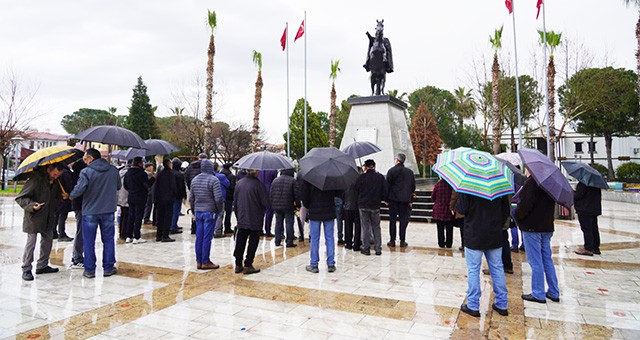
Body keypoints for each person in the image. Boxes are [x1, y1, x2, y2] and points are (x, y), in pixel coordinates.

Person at [455, 192, 510, 317]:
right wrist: (496, 224)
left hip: (474, 234)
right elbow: (506, 211)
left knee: (474, 269)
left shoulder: (469, 186)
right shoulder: (498, 187)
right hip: (494, 234)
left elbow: (461, 209)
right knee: (497, 268)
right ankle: (502, 304)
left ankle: (473, 305)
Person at [69, 148, 121, 279]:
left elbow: (80, 189)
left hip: (90, 211)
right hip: (108, 210)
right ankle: (108, 267)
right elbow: (118, 186)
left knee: (89, 241)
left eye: (86, 159)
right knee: (109, 240)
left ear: (91, 158)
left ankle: (90, 270)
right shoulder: (114, 170)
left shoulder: (86, 172)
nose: (85, 162)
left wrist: (70, 195)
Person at [515, 169, 560, 304]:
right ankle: (553, 291)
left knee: (536, 261)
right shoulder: (550, 183)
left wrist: (517, 215)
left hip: (532, 226)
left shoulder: (532, 183)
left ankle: (538, 293)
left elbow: (525, 205)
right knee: (547, 259)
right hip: (546, 226)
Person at [16, 162, 67, 281]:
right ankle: (26, 269)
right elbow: (21, 198)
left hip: (48, 217)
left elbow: (54, 199)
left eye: (57, 175)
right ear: (49, 169)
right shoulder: (35, 179)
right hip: (34, 217)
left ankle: (42, 266)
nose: (55, 177)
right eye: (54, 174)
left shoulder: (56, 182)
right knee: (31, 243)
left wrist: (62, 197)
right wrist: (32, 205)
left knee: (48, 241)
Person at [233, 169, 269, 275]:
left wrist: (238, 215)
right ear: (256, 172)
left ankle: (238, 264)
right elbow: (265, 202)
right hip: (255, 218)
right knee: (253, 242)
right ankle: (248, 264)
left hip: (242, 217)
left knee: (240, 240)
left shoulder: (239, 183)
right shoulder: (259, 185)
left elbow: (235, 201)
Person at [300, 178, 340, 273]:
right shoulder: (332, 177)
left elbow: (304, 196)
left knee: (314, 238)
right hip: (329, 211)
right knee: (330, 237)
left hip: (315, 211)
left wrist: (309, 206)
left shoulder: (309, 178)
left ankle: (314, 264)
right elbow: (338, 192)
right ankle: (331, 263)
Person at [189, 159, 222, 270]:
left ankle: (199, 261)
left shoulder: (194, 180)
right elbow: (218, 198)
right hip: (210, 211)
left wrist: (194, 211)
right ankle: (205, 261)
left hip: (198, 212)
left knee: (199, 237)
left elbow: (191, 198)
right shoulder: (214, 180)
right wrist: (219, 210)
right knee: (207, 238)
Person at [355, 159, 388, 256]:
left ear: (365, 167)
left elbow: (356, 189)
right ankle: (378, 248)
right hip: (375, 205)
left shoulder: (361, 177)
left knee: (365, 227)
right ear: (374, 166)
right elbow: (384, 191)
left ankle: (366, 248)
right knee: (376, 227)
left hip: (363, 205)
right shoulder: (380, 177)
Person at [386, 153, 415, 248]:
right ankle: (402, 240)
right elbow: (412, 187)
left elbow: (387, 186)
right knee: (403, 220)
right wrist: (410, 200)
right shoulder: (409, 172)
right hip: (405, 200)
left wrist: (386, 199)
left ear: (397, 160)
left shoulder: (391, 171)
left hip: (393, 200)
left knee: (392, 220)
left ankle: (392, 240)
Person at [124, 156, 155, 244]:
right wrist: (153, 179)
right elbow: (147, 185)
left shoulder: (128, 173)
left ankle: (128, 236)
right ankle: (136, 237)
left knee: (131, 216)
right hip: (140, 197)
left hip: (131, 197)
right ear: (139, 163)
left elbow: (125, 185)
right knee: (138, 216)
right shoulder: (142, 174)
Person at [270, 168, 299, 247]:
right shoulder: (293, 181)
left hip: (277, 206)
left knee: (278, 223)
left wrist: (272, 204)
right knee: (289, 223)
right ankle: (289, 241)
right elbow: (296, 195)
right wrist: (298, 206)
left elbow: (271, 194)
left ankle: (277, 241)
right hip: (288, 205)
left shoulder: (275, 180)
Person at [574, 181, 602, 256]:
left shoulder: (583, 183)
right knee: (594, 228)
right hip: (594, 209)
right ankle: (595, 248)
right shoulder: (596, 184)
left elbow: (578, 195)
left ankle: (588, 248)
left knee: (587, 229)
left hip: (584, 209)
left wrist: (574, 191)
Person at [154, 158, 177, 242]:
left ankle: (158, 235)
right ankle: (165, 235)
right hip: (168, 199)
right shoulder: (171, 174)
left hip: (160, 198)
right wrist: (174, 195)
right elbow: (173, 187)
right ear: (168, 164)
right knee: (167, 217)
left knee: (160, 217)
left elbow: (156, 187)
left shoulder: (159, 174)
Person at [70, 159, 87, 269]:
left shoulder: (73, 175)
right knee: (80, 231)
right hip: (81, 206)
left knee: (81, 230)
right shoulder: (81, 177)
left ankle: (77, 256)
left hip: (78, 206)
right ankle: (77, 258)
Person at [431, 179, 454, 248]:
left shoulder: (438, 185)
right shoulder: (451, 185)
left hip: (439, 210)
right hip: (449, 210)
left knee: (440, 228)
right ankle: (449, 243)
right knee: (449, 228)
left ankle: (441, 243)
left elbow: (432, 197)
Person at [54, 165, 74, 241]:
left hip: (57, 197)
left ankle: (54, 232)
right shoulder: (66, 173)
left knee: (56, 215)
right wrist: (70, 193)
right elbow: (70, 185)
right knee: (62, 215)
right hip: (64, 196)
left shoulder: (57, 172)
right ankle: (62, 233)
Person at [342, 176, 361, 251]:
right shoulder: (359, 181)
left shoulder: (346, 181)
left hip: (347, 206)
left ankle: (348, 243)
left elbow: (342, 194)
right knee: (358, 226)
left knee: (348, 225)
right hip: (357, 206)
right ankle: (356, 243)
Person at [212, 162, 231, 238]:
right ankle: (218, 231)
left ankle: (212, 230)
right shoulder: (221, 176)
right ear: (217, 168)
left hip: (211, 197)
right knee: (220, 214)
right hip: (221, 197)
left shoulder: (210, 176)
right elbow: (228, 184)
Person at [258, 169, 278, 236]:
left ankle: (259, 229)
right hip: (269, 191)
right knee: (269, 212)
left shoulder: (259, 170)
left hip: (259, 191)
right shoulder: (273, 170)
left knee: (260, 212)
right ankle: (268, 230)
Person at [170, 157, 186, 234]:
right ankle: (173, 226)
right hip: (177, 196)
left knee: (171, 211)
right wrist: (184, 195)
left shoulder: (169, 173)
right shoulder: (179, 175)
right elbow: (181, 186)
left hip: (169, 195)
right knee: (176, 211)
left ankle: (173, 225)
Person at [220, 162, 236, 234]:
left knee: (220, 213)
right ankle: (227, 227)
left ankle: (219, 227)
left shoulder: (220, 174)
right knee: (228, 213)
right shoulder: (231, 176)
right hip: (229, 197)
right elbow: (232, 187)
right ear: (230, 167)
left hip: (221, 196)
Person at [117, 161, 130, 241]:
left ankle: (121, 232)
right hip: (127, 196)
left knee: (122, 215)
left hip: (121, 196)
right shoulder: (128, 174)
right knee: (127, 216)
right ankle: (125, 233)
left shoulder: (120, 172)